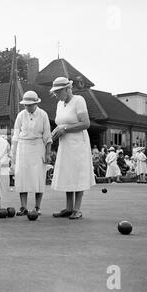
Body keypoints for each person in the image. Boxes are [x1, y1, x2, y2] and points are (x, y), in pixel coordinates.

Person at [50, 77, 95, 219]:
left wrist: (65, 129)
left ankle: (77, 209)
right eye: (55, 92)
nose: (56, 95)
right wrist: (56, 131)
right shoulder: (59, 104)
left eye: (58, 92)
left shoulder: (79, 100)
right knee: (68, 173)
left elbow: (86, 123)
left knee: (78, 173)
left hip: (78, 143)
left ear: (67, 89)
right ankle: (69, 208)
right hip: (65, 144)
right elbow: (61, 123)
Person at [10, 91, 52, 216]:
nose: (27, 107)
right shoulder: (21, 115)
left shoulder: (43, 114)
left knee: (38, 177)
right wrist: (13, 155)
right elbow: (16, 136)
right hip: (23, 148)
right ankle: (23, 207)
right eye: (25, 105)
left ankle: (37, 207)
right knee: (22, 177)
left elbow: (47, 136)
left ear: (35, 103)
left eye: (30, 105)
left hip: (38, 147)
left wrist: (48, 153)